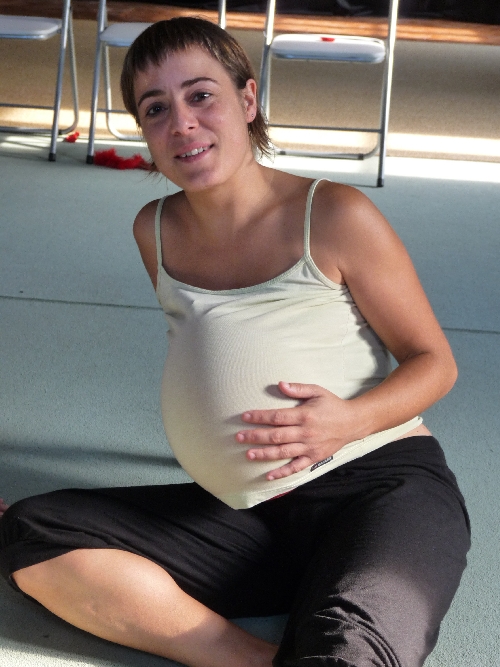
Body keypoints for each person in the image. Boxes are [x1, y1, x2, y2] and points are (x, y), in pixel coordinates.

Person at [0, 17, 470, 667]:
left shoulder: (335, 215)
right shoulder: (154, 229)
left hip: (376, 489)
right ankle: (251, 658)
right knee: (30, 531)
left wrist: (349, 420)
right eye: (155, 108)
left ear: (247, 100)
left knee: (348, 652)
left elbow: (435, 363)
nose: (182, 123)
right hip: (243, 517)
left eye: (201, 95)